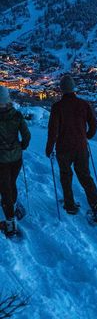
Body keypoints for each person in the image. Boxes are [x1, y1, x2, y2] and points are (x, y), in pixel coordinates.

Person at [45, 74, 97, 222]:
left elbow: (53, 130)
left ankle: (70, 205)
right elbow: (94, 124)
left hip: (63, 148)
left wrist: (49, 148)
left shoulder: (57, 107)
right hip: (80, 147)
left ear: (61, 89)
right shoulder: (84, 104)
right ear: (73, 88)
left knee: (66, 176)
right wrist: (87, 136)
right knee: (85, 176)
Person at [0, 86, 31, 237]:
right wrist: (21, 147)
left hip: (1, 160)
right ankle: (13, 206)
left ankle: (10, 223)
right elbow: (27, 136)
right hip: (16, 158)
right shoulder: (17, 115)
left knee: (4, 188)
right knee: (11, 183)